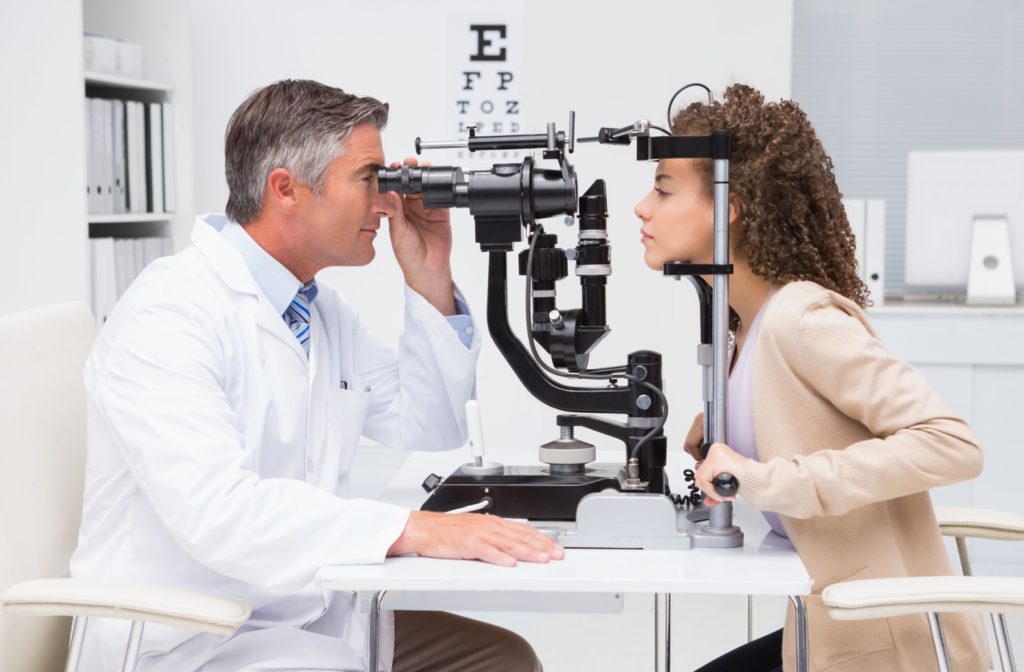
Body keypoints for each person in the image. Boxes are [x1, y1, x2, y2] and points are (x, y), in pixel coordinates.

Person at [70, 79, 562, 672]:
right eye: (368, 180)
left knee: (501, 659)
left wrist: (430, 274)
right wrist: (412, 529)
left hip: (307, 612)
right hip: (189, 636)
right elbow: (222, 516)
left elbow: (428, 421)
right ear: (286, 189)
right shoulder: (169, 314)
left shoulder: (318, 309)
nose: (386, 205)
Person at [634, 84, 987, 672]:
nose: (642, 208)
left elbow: (953, 443)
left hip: (885, 644)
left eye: (663, 189)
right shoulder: (744, 332)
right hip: (829, 623)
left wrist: (769, 478)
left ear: (729, 207)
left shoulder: (800, 318)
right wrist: (732, 455)